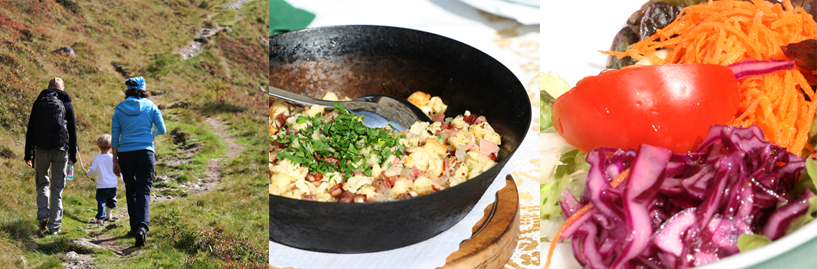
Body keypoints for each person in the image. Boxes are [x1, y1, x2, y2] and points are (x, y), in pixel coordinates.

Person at [111, 77, 166, 247]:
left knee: (131, 190)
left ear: (127, 89)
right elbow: (162, 129)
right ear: (143, 89)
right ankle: (142, 227)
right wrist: (149, 136)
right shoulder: (151, 106)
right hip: (145, 153)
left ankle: (134, 227)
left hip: (126, 154)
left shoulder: (119, 110)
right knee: (144, 190)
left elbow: (114, 138)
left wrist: (114, 160)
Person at [23, 77, 77, 235]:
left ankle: (42, 218)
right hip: (61, 149)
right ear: (62, 88)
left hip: (40, 149)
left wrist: (28, 153)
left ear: (48, 87)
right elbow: (72, 132)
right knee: (57, 189)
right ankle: (54, 227)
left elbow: (31, 129)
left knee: (42, 184)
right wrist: (73, 155)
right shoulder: (66, 103)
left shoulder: (39, 102)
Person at [87, 134, 118, 223]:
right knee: (111, 200)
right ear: (111, 147)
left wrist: (89, 174)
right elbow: (119, 169)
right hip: (112, 184)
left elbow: (93, 169)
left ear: (99, 146)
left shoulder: (97, 158)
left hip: (101, 185)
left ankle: (100, 217)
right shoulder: (114, 158)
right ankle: (109, 214)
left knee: (101, 201)